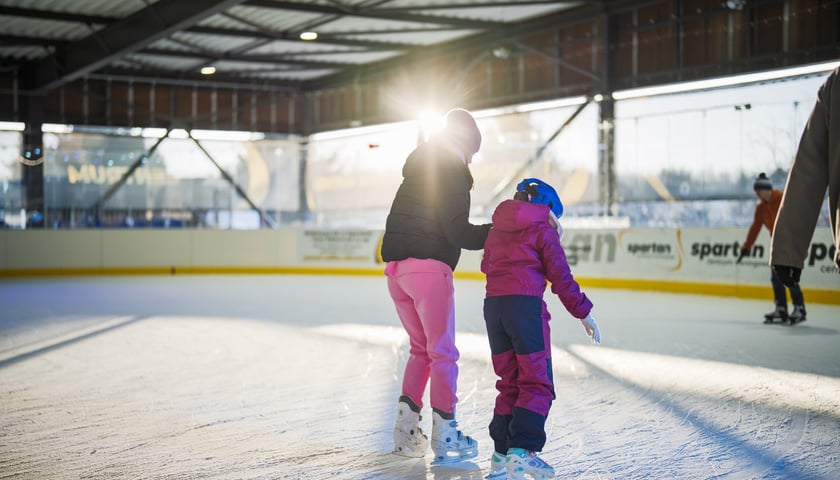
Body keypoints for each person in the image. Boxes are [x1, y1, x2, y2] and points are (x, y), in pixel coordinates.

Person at [381, 108, 491, 464]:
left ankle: (405, 434)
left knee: (420, 350)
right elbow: (459, 232)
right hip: (429, 270)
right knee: (442, 353)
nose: (470, 159)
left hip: (397, 271)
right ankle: (446, 435)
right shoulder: (451, 170)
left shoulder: (419, 167)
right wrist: (501, 231)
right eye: (472, 152)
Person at [480, 178, 600, 480]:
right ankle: (523, 453)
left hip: (494, 308)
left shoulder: (496, 229)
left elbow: (487, 265)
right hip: (525, 309)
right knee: (537, 381)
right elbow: (560, 277)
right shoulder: (543, 229)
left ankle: (501, 455)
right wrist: (583, 312)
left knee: (510, 381)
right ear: (548, 210)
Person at [771, 67, 840, 290]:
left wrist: (788, 250)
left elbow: (810, 166)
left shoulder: (835, 84)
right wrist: (787, 250)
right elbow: (811, 167)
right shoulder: (835, 86)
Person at [737, 172, 806, 323]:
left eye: (758, 191)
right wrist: (746, 247)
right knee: (775, 278)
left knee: (789, 276)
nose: (757, 194)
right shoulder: (761, 208)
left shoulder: (782, 199)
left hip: (790, 242)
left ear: (765, 189)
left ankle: (799, 307)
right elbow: (755, 228)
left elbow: (797, 218)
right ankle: (781, 308)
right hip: (776, 245)